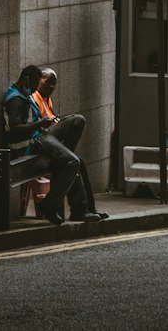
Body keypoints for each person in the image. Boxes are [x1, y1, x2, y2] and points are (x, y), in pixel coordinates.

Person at [1, 64, 82, 224]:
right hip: (33, 142)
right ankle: (48, 205)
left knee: (77, 121)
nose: (34, 91)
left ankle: (63, 157)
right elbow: (15, 130)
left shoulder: (22, 94)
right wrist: (40, 124)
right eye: (33, 86)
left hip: (40, 135)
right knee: (74, 162)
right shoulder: (16, 99)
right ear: (26, 80)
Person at [34, 68, 108, 223]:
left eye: (54, 84)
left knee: (77, 161)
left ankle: (85, 209)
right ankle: (76, 209)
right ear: (38, 80)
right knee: (77, 121)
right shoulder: (34, 97)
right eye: (48, 83)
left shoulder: (47, 99)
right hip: (42, 143)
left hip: (51, 143)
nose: (52, 87)